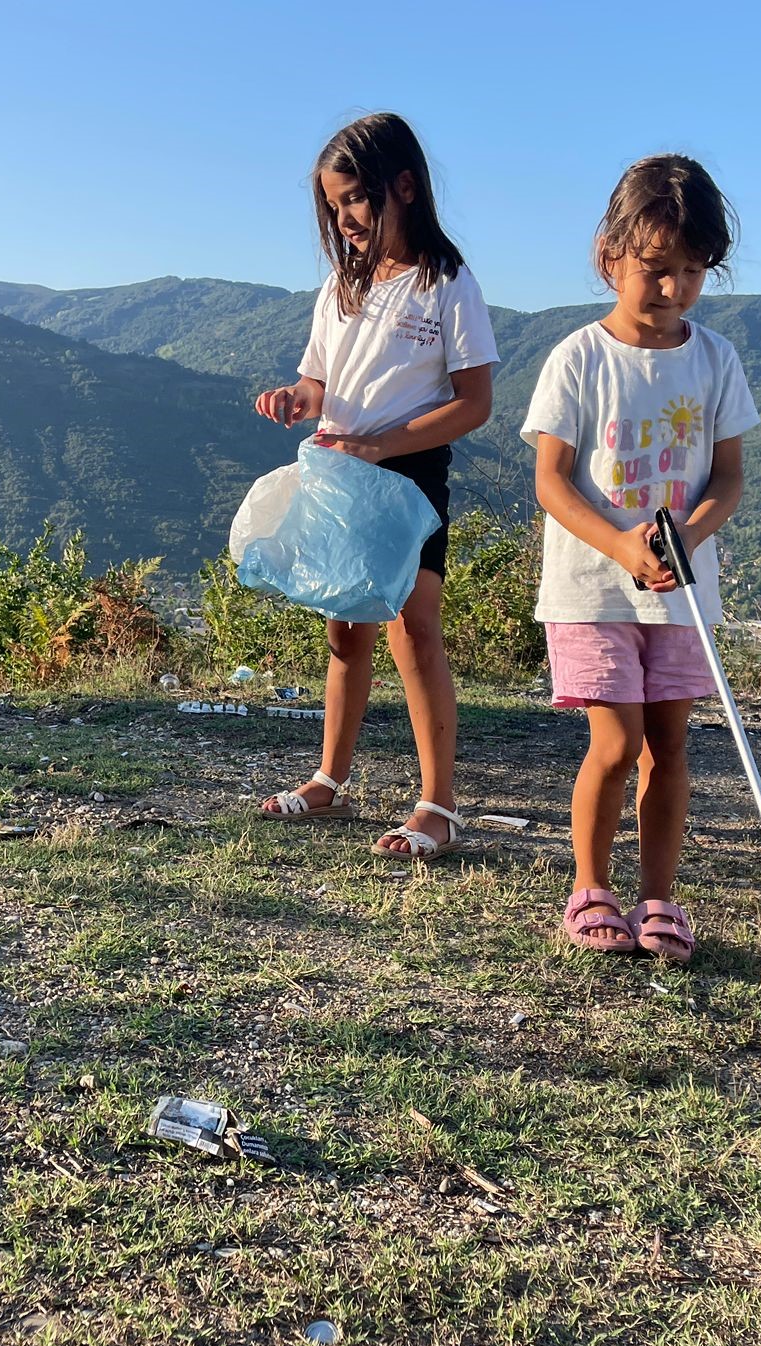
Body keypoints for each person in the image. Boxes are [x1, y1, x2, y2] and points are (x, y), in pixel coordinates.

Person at [519, 154, 758, 959]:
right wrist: (621, 543)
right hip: (592, 587)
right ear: (609, 255)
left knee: (670, 747)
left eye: (693, 272)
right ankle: (591, 887)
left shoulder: (716, 359)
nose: (674, 289)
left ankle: (660, 899)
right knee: (615, 744)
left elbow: (727, 480)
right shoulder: (579, 359)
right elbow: (552, 482)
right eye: (656, 269)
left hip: (681, 592)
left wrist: (685, 538)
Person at [253, 112, 497, 860]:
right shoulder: (339, 287)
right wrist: (297, 399)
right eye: (334, 205)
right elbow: (318, 378)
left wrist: (385, 443)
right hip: (338, 469)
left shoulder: (448, 284)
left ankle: (438, 804)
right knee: (343, 629)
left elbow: (474, 401)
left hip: (409, 472)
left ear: (405, 186)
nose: (345, 217)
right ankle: (330, 778)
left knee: (414, 630)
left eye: (356, 198)